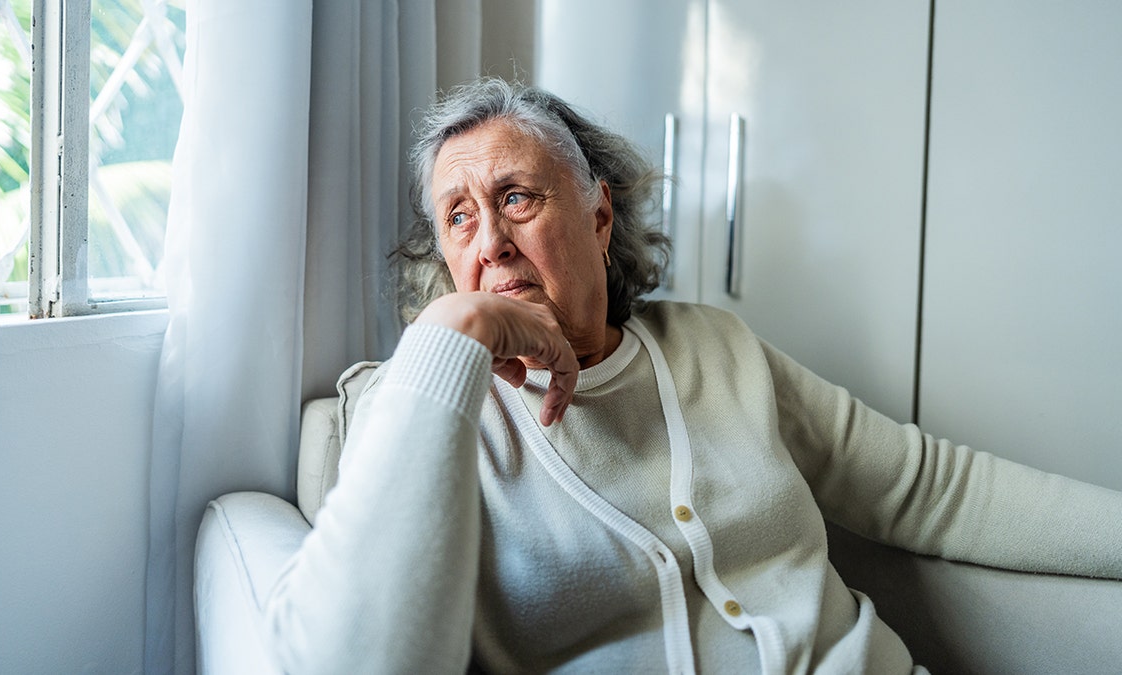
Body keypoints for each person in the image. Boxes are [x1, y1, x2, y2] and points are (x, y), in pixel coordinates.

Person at [263, 77, 1122, 674]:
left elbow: (928, 487)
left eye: (517, 196)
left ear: (599, 213)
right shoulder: (415, 407)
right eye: (458, 217)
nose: (489, 239)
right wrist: (455, 330)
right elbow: (359, 658)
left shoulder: (715, 347)